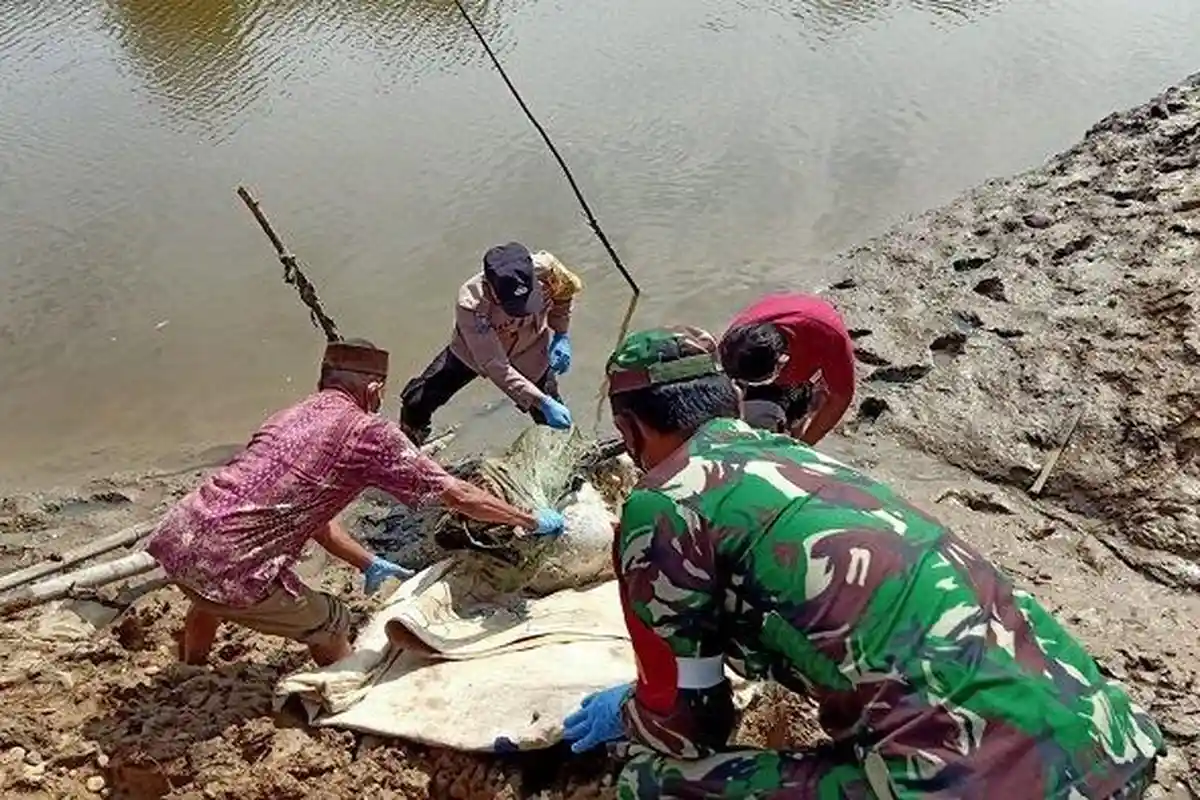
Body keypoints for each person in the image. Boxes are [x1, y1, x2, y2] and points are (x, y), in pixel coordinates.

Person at [562, 326, 1165, 799]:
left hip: (978, 788)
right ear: (730, 401)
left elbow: (691, 726)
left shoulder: (664, 502)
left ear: (629, 430)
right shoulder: (804, 462)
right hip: (1112, 748)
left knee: (651, 783)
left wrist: (633, 710)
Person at [147, 338, 565, 668]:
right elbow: (457, 494)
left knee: (207, 590)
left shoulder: (290, 415)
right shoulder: (369, 433)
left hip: (180, 539)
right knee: (332, 621)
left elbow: (313, 519)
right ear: (373, 389)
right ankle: (343, 697)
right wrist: (527, 519)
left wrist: (367, 563)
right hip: (225, 565)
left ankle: (191, 667)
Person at [399, 242, 579, 446]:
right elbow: (495, 364)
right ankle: (410, 446)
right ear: (491, 289)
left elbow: (565, 293)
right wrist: (542, 401)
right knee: (416, 401)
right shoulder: (471, 304)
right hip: (474, 352)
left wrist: (561, 334)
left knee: (553, 418)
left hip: (530, 345)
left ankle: (565, 454)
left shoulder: (549, 268)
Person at [720, 292, 856, 445]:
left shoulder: (830, 338)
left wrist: (805, 445)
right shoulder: (735, 343)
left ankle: (804, 413)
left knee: (794, 418)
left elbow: (841, 397)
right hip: (762, 351)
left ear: (782, 363)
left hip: (809, 341)